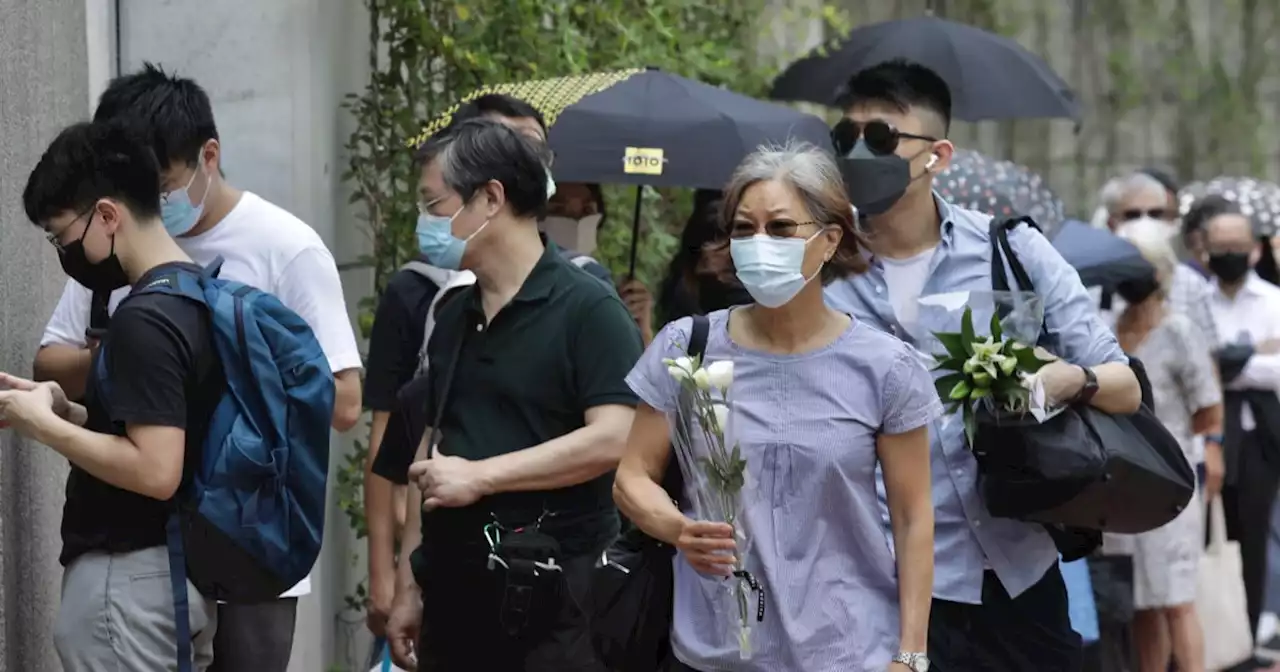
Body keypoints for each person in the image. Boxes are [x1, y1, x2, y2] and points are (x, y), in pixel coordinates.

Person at [31, 63, 363, 671]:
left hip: (246, 535)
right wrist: (129, 373)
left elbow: (343, 400)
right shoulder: (113, 264)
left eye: (164, 182)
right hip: (168, 545)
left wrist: (192, 374)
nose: (154, 202)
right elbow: (51, 358)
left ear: (208, 156)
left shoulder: (285, 248)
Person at [824, 59, 1141, 670]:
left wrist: (1071, 378)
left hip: (1015, 571)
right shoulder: (820, 267)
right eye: (846, 138)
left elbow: (1126, 386)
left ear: (936, 155)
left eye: (883, 138)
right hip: (881, 584)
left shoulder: (1011, 250)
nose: (860, 152)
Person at [614, 141, 938, 671]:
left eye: (781, 228)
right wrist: (678, 529)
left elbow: (912, 517)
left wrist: (911, 653)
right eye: (744, 229)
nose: (759, 242)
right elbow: (631, 478)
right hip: (714, 651)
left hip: (848, 650)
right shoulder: (685, 347)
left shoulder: (886, 367)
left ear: (830, 240)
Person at [376, 118, 643, 671]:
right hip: (456, 599)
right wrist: (408, 583)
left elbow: (616, 438)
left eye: (435, 204)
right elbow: (431, 453)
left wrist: (483, 476)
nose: (425, 222)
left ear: (490, 198)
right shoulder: (453, 315)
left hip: (556, 604)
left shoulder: (587, 309)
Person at [1, 121, 221, 670]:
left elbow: (155, 469)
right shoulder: (193, 293)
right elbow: (160, 425)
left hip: (127, 590)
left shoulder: (143, 319)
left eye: (60, 236)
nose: (63, 251)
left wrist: (41, 427)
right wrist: (69, 410)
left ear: (106, 215)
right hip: (171, 575)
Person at [1110, 218, 1222, 672]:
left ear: (1159, 271)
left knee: (1176, 599)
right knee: (1140, 603)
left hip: (1170, 478)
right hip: (1121, 480)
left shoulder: (1179, 329)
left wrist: (1167, 436)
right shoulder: (1109, 327)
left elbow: (1209, 409)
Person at [1203, 201, 1280, 667]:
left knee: (1254, 537)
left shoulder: (1273, 301)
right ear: (1204, 250)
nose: (1228, 253)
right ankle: (1217, 637)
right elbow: (1198, 368)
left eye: (1236, 246)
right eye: (1219, 247)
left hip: (1257, 439)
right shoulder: (1195, 301)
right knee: (1213, 537)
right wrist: (1254, 354)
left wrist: (1230, 361)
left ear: (1253, 251)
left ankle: (1252, 636)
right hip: (1207, 434)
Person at [654, 189, 753, 329]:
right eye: (703, 238)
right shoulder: (682, 288)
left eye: (719, 236)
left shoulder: (752, 298)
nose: (707, 249)